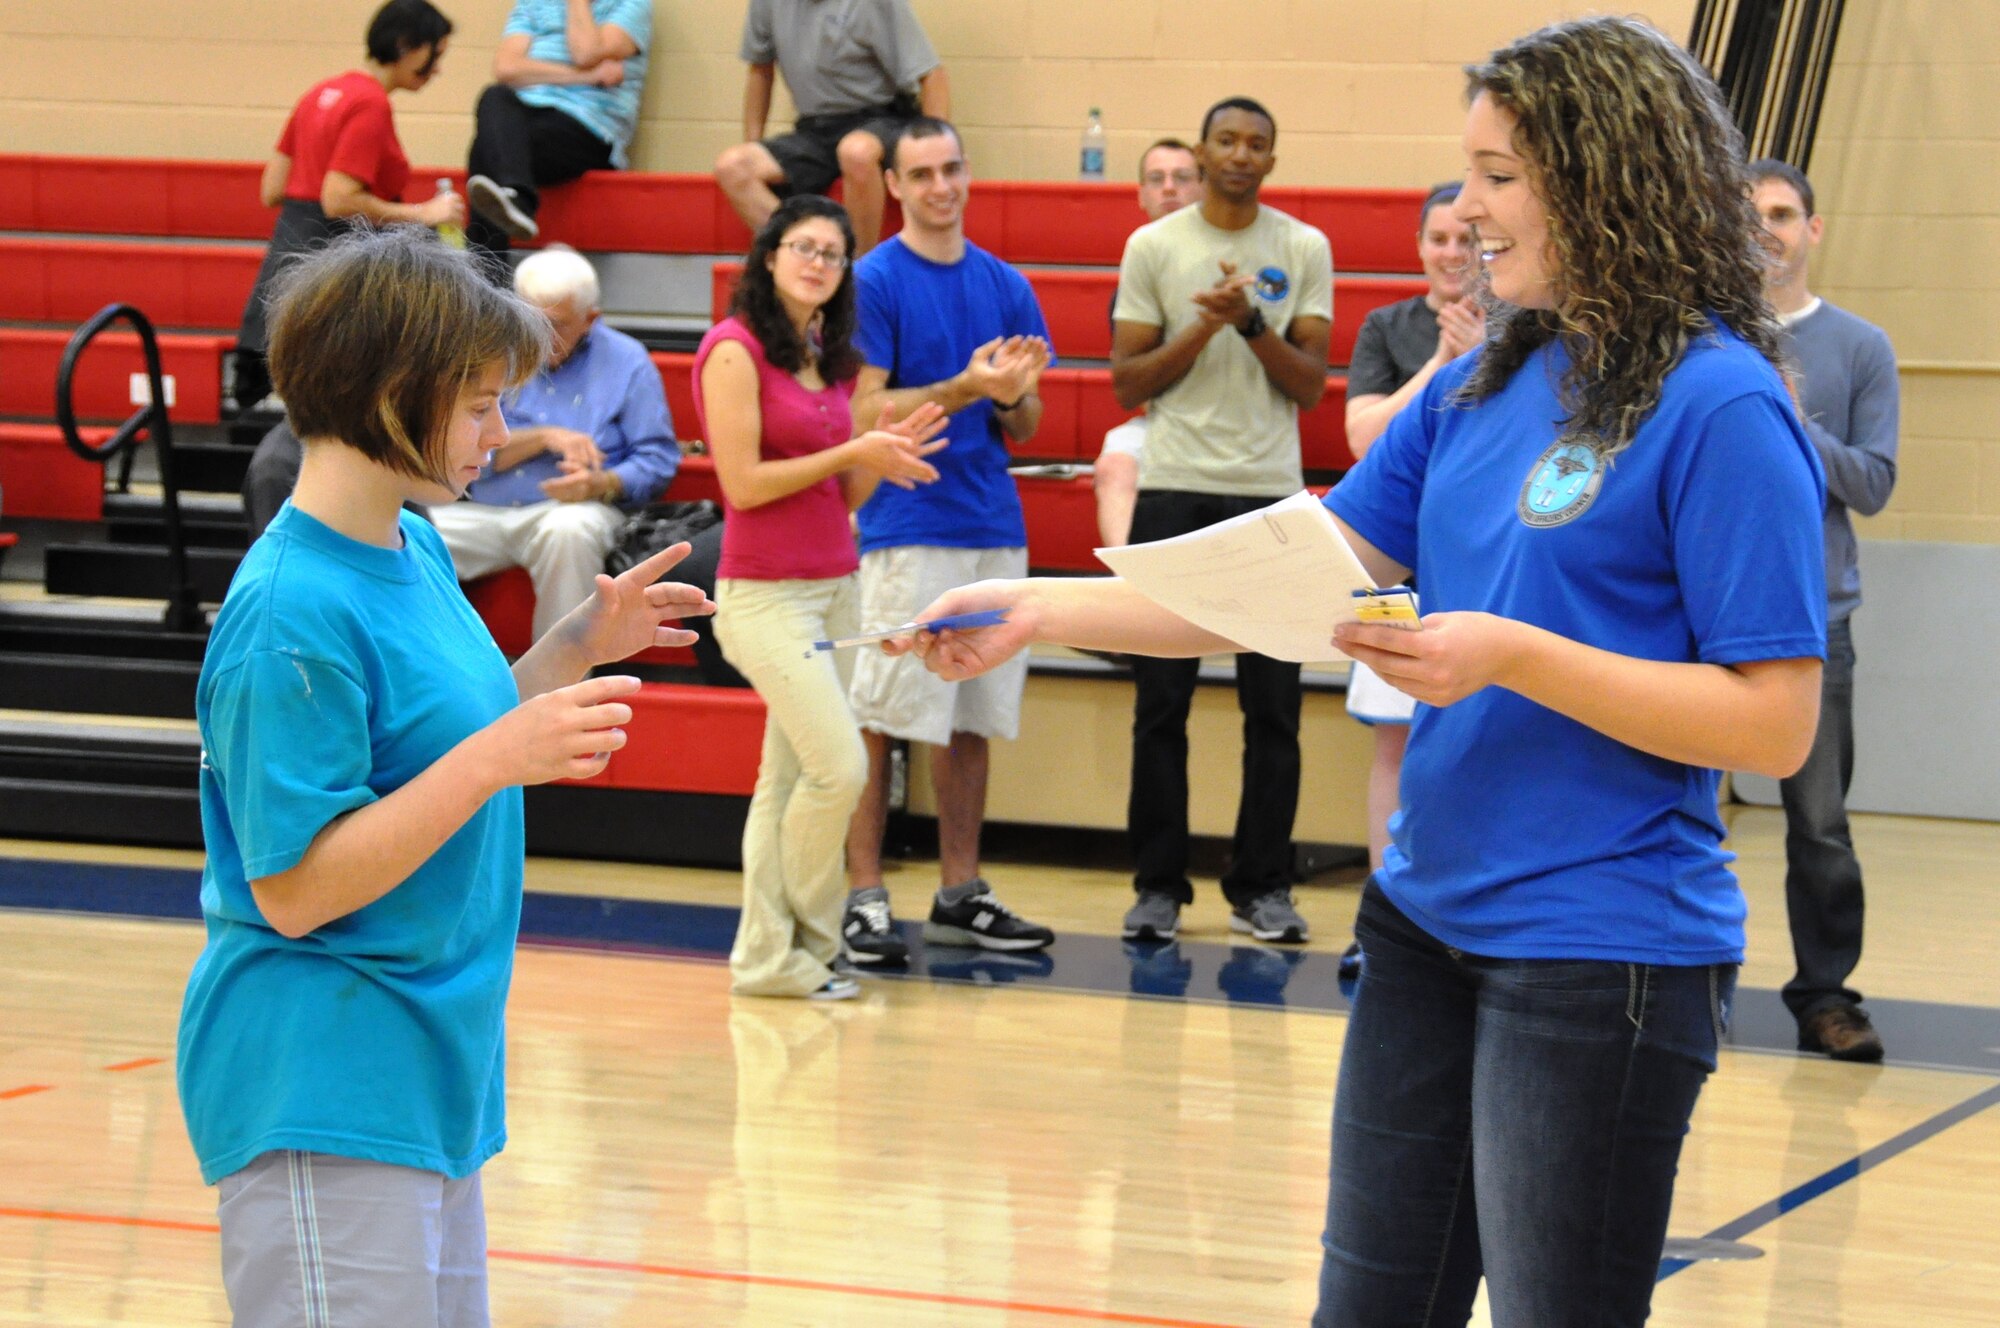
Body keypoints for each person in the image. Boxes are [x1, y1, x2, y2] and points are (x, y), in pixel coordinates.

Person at [891, 18, 1828, 1325]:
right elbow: (1292, 574)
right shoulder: (1476, 385)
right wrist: (1038, 606)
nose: (1468, 211)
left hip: (1602, 954)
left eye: (1499, 176)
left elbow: (1775, 724)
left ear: (1603, 173)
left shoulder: (1724, 408)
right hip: (1423, 927)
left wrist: (1508, 654)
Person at [176, 225, 713, 1325]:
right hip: (324, 1078)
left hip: (426, 1066)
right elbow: (296, 886)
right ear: (387, 393)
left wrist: (570, 647)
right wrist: (492, 761)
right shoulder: (288, 612)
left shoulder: (409, 543)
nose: (500, 430)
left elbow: (447, 735)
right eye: (477, 404)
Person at [694, 195, 949, 998]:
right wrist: (851, 444)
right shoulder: (731, 351)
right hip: (764, 596)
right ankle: (817, 931)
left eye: (833, 255)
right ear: (770, 257)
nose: (817, 263)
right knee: (840, 769)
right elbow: (743, 484)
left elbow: (837, 500)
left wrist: (881, 456)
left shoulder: (824, 358)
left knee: (786, 783)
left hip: (837, 585)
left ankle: (770, 961)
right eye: (802, 247)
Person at [1110, 96, 1333, 946]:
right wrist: (1203, 327)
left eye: (1257, 145)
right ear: (1200, 151)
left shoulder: (1302, 247)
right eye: (1227, 140)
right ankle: (1158, 888)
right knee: (1160, 704)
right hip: (1173, 491)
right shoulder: (1154, 248)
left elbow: (1309, 386)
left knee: (1273, 709)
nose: (1241, 154)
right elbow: (1130, 383)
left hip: (1271, 496)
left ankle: (1263, 888)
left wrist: (1251, 322)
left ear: (1272, 159)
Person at [839, 116, 1059, 964]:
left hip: (991, 522)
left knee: (973, 715)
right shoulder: (875, 280)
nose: (940, 187)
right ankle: (863, 895)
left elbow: (1030, 423)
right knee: (881, 716)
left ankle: (960, 891)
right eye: (922, 173)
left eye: (952, 169)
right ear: (893, 185)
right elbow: (865, 414)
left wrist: (1008, 394)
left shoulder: (1006, 283)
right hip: (907, 523)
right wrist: (970, 383)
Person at [1750, 157, 1901, 1063]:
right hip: (1698, 620)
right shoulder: (1700, 337)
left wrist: (1793, 425)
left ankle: (1826, 997)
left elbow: (1875, 484)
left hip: (1814, 621)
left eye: (1780, 212)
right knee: (1668, 800)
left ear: (1812, 228)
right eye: (1747, 215)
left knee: (1819, 826)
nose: (1764, 228)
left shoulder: (1859, 347)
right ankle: (1666, 978)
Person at [1336, 182, 1482, 973]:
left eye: (1466, 238)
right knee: (1396, 745)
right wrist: (1441, 361)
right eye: (1439, 240)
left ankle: (1456, 915)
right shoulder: (1390, 328)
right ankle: (1383, 918)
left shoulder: (1523, 324)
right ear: (1419, 246)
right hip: (1399, 557)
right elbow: (1364, 437)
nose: (1453, 253)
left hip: (1477, 566)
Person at [431, 247, 679, 642]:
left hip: (576, 510)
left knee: (569, 530)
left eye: (556, 325)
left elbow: (658, 459)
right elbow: (453, 446)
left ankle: (561, 688)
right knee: (406, 527)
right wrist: (544, 438)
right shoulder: (490, 351)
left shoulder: (627, 360)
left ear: (590, 319)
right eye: (529, 320)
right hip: (480, 508)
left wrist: (600, 484)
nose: (538, 337)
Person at [231, 0, 462, 411]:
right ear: (408, 45)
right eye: (436, 54)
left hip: (284, 272)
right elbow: (338, 199)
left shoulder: (320, 93)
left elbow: (272, 189)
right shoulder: (371, 103)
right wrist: (423, 214)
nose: (439, 68)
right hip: (332, 277)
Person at [714, 0, 949, 254]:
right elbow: (760, 70)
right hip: (814, 130)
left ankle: (860, 271)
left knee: (856, 151)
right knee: (732, 166)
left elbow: (933, 76)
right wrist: (753, 141)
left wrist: (935, 155)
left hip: (882, 118)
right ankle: (811, 252)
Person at [463, 0, 652, 258]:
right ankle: (517, 197)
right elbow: (506, 68)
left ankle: (485, 280)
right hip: (525, 120)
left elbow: (585, 52)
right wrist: (586, 76)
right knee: (494, 97)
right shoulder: (534, 4)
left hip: (588, 129)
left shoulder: (630, 5)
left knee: (485, 151)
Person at [1094, 138, 1206, 548]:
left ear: (1204, 188)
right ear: (1141, 195)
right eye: (1156, 179)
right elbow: (1134, 388)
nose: (1169, 188)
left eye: (1182, 177)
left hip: (1234, 427)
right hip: (1164, 422)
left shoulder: (1235, 264)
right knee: (1114, 462)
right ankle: (1134, 585)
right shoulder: (1133, 282)